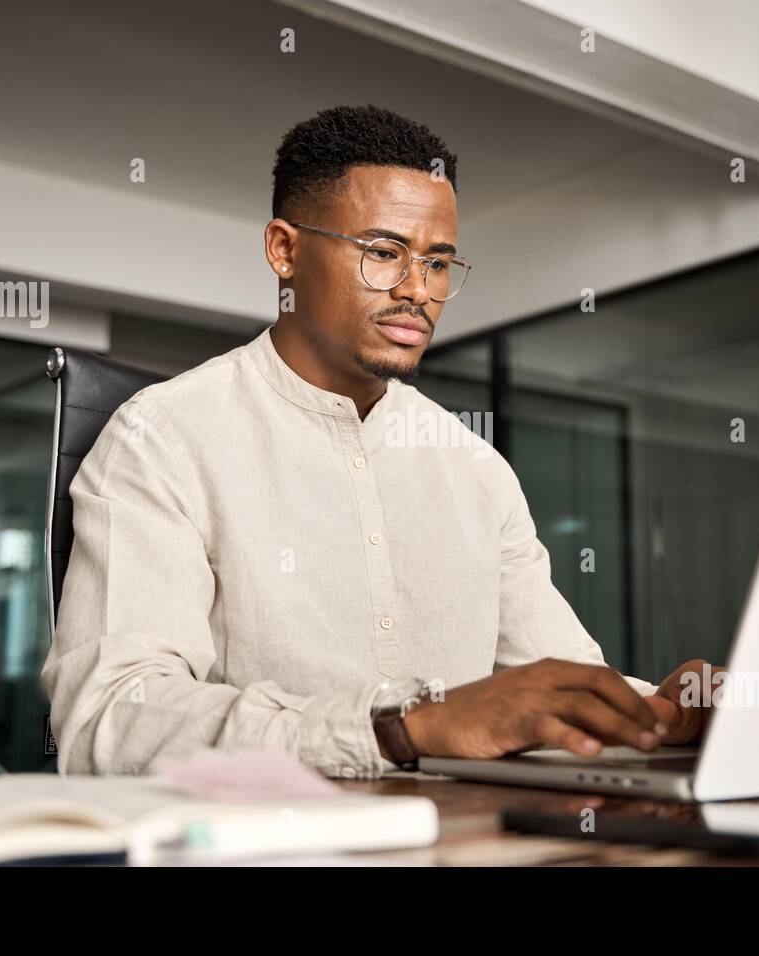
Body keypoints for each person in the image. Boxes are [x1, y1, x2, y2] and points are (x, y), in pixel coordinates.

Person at [42, 104, 720, 778]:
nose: (417, 290)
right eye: (384, 253)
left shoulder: (477, 469)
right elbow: (107, 719)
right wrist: (403, 730)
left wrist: (664, 711)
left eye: (438, 264)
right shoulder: (161, 438)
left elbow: (559, 687)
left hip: (464, 841)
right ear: (285, 249)